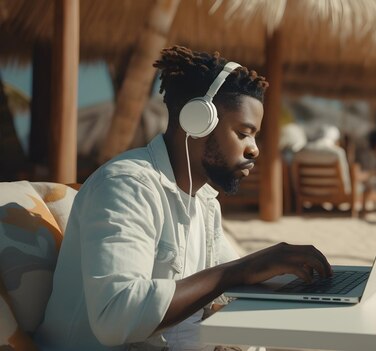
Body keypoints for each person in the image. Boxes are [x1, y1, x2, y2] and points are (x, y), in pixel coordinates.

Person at [34, 46, 331, 351]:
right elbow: (116, 317)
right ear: (197, 121)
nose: (254, 149)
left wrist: (298, 276)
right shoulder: (127, 186)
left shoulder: (203, 201)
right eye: (243, 134)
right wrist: (238, 272)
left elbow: (233, 284)